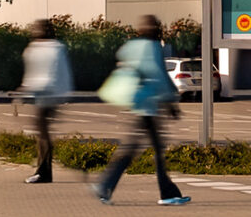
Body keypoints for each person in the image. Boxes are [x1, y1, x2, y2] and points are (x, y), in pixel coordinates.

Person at [92, 15, 189, 206]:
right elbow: (159, 75)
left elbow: (122, 56)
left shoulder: (133, 46)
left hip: (137, 103)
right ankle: (166, 193)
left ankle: (106, 186)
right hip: (149, 107)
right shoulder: (152, 47)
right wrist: (171, 101)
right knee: (155, 151)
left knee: (134, 149)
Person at [21, 19, 73, 184]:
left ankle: (43, 172)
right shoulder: (56, 48)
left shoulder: (41, 49)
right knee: (42, 132)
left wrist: (27, 88)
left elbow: (40, 73)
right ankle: (44, 171)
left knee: (42, 132)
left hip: (46, 94)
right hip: (52, 94)